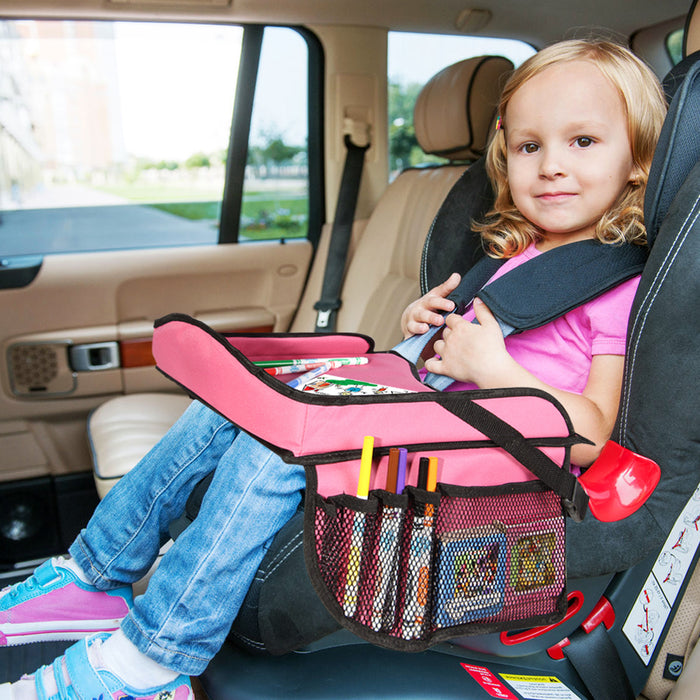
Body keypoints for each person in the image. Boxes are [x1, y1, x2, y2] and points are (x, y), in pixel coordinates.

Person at [0, 39, 667, 699]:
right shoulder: (514, 252)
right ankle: (95, 575)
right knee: (235, 404)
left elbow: (589, 433)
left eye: (582, 142)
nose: (551, 166)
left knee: (286, 449)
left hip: (492, 462)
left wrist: (491, 366)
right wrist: (427, 327)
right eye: (530, 146)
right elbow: (460, 358)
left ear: (638, 161)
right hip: (436, 422)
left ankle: (153, 656)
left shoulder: (616, 287)